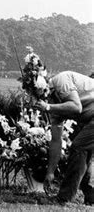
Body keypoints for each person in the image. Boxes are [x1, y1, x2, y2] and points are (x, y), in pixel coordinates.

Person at [33, 71, 94, 205]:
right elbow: (56, 141)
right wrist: (50, 173)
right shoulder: (55, 106)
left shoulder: (61, 80)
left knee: (78, 148)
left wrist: (48, 107)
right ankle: (91, 197)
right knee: (84, 152)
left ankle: (63, 198)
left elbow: (76, 107)